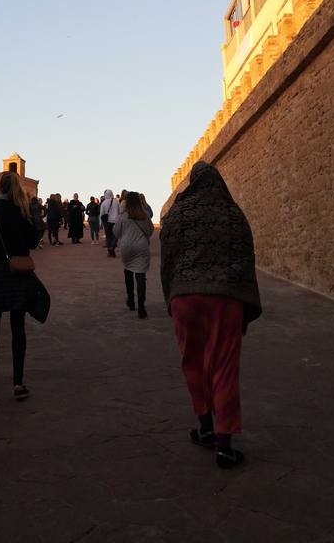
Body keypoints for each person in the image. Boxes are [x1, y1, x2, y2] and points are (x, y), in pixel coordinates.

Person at [160, 161, 262, 469]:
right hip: (226, 298)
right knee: (224, 366)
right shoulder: (233, 214)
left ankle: (204, 427)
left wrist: (171, 293)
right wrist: (245, 302)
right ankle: (225, 446)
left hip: (186, 298)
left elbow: (168, 257)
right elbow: (246, 256)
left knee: (193, 362)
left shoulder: (177, 214)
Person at [0, 172, 46, 401]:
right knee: (18, 325)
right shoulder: (23, 211)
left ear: (0, 188)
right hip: (19, 272)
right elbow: (33, 242)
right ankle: (18, 383)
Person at [114, 191, 153, 318]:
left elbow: (116, 232)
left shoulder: (123, 216)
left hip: (127, 247)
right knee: (141, 275)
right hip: (141, 246)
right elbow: (150, 230)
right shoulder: (145, 215)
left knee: (128, 272)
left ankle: (131, 300)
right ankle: (141, 306)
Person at [99, 189, 120, 257]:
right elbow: (120, 212)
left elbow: (101, 214)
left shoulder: (104, 203)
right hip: (115, 222)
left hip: (107, 222)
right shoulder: (116, 202)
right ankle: (112, 246)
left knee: (108, 237)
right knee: (115, 236)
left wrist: (100, 224)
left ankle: (109, 250)